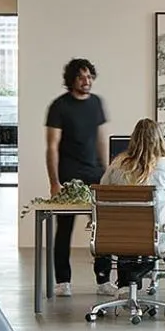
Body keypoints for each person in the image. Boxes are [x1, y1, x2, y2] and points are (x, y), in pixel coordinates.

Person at [102, 119, 165, 301]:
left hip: (121, 239)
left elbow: (103, 196)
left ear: (133, 140)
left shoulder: (116, 166)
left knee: (132, 238)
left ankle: (126, 284)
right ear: (160, 140)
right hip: (157, 239)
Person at [43, 58, 106, 295]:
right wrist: (54, 183)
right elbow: (52, 146)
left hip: (95, 173)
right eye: (81, 77)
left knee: (103, 227)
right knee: (65, 227)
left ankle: (103, 280)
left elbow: (100, 138)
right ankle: (63, 281)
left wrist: (107, 171)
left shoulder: (97, 103)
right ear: (72, 79)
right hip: (68, 174)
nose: (87, 81)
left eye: (90, 76)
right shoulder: (59, 106)